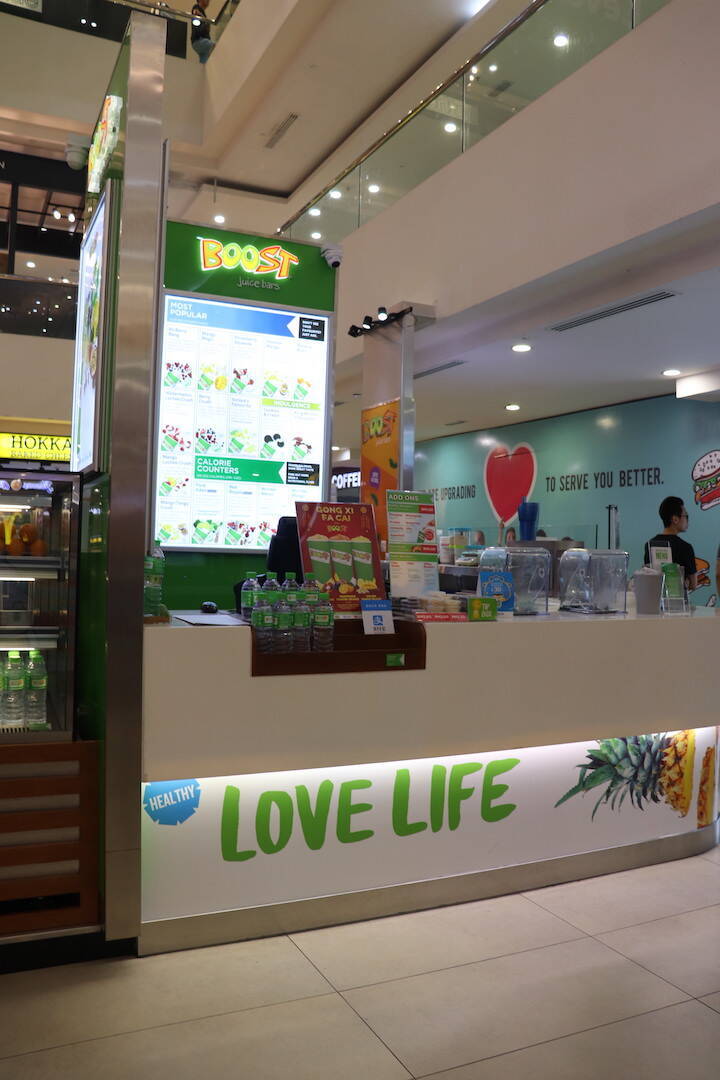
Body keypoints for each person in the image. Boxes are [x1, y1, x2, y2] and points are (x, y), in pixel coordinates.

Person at [644, 496, 697, 590]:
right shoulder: (685, 547)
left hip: (655, 597)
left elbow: (648, 576)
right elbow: (693, 584)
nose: (687, 520)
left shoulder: (649, 545)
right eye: (686, 516)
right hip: (679, 598)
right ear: (675, 519)